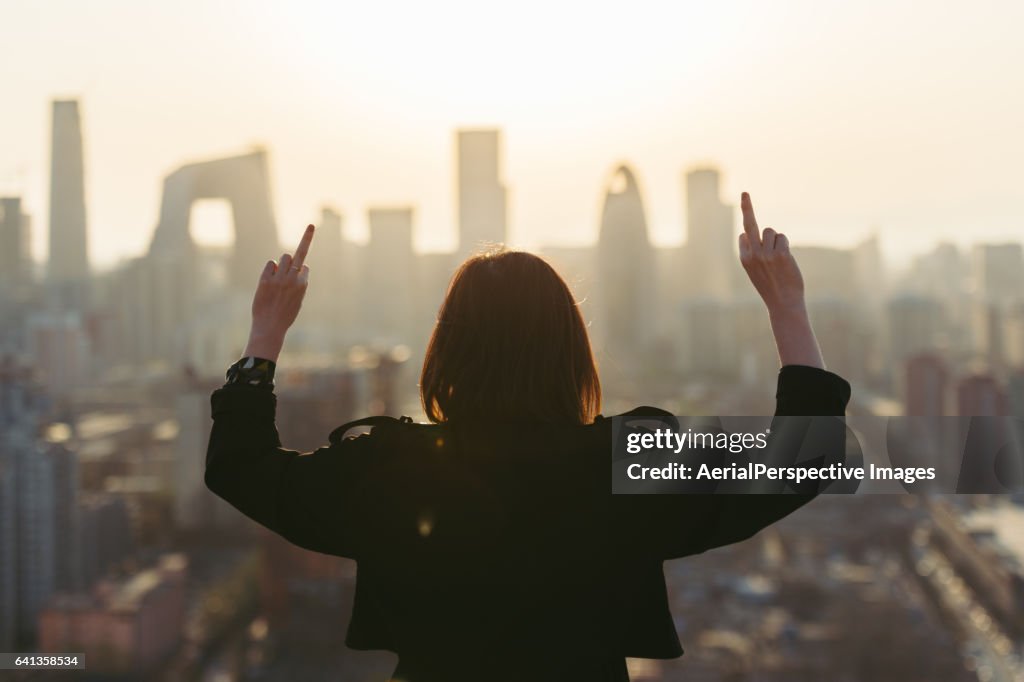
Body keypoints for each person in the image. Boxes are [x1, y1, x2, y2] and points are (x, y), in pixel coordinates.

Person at [205, 192, 851, 681]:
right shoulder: (622, 468)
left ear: (447, 351)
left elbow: (240, 467)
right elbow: (806, 456)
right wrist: (787, 308)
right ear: (570, 351)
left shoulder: (390, 470)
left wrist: (265, 337)